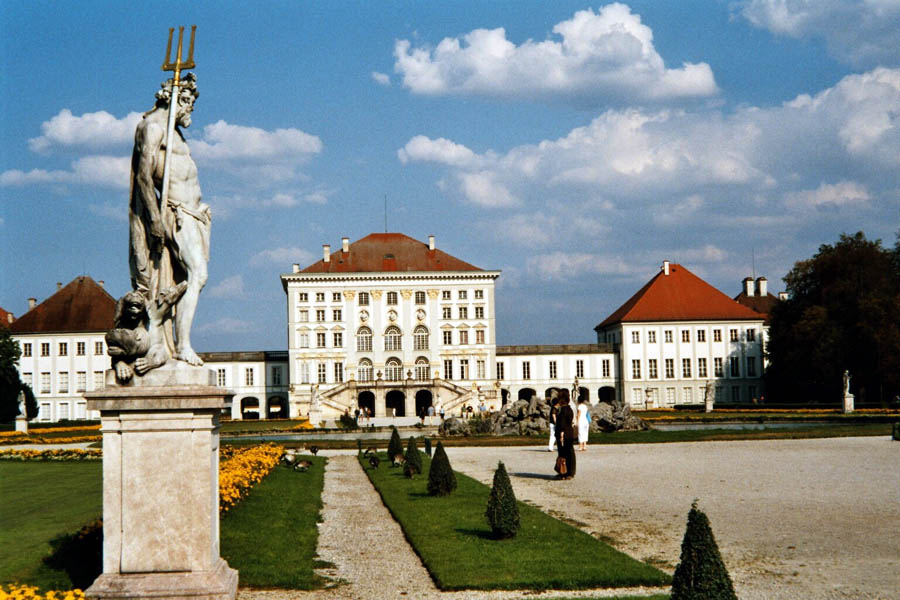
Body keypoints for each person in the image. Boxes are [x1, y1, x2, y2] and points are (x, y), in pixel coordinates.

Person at [130, 73, 209, 368]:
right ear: (179, 99)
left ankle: (174, 341)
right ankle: (183, 346)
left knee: (186, 279)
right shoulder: (152, 127)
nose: (191, 111)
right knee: (197, 274)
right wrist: (154, 220)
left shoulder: (175, 132)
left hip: (194, 214)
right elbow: (143, 176)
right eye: (189, 103)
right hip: (176, 214)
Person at [554, 389, 576, 479]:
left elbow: (562, 423)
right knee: (570, 453)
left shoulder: (563, 410)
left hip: (563, 434)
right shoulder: (569, 409)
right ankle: (569, 472)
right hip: (569, 433)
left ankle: (564, 472)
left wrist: (561, 434)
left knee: (563, 453)